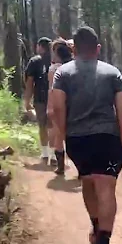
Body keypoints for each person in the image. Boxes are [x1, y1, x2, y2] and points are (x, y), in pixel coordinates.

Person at [49, 27, 122, 244]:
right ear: (97, 49)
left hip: (77, 139)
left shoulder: (63, 73)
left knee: (88, 181)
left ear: (74, 49)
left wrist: (62, 136)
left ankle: (96, 227)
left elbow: (57, 108)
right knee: (106, 187)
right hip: (107, 138)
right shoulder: (113, 73)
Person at [47, 38, 74, 175]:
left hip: (59, 105)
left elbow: (52, 90)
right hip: (75, 104)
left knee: (59, 135)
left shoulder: (54, 69)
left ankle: (61, 166)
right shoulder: (75, 66)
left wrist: (50, 107)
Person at [24, 37, 53, 162]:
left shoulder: (34, 61)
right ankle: (54, 152)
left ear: (40, 46)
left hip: (40, 99)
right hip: (55, 98)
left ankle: (45, 153)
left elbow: (30, 82)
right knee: (53, 125)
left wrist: (27, 100)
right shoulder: (56, 60)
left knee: (42, 125)